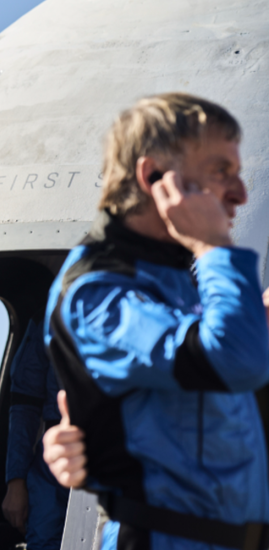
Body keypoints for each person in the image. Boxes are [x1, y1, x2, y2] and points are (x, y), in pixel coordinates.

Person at [43, 93, 269, 549]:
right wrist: (215, 247)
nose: (241, 194)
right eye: (221, 172)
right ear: (154, 178)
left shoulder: (180, 279)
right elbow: (235, 359)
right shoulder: (96, 293)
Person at [1, 320, 68, 549]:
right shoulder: (49, 318)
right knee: (44, 538)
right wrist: (16, 481)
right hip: (52, 461)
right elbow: (24, 403)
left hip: (119, 449)